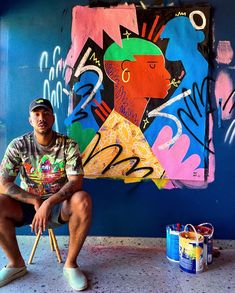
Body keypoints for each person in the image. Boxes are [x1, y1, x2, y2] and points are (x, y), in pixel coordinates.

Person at [0, 98, 92, 291]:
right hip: (28, 205)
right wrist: (35, 200)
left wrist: (48, 203)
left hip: (60, 205)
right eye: (37, 114)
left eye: (46, 113)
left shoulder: (68, 145)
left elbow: (76, 181)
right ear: (30, 120)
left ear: (53, 117)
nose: (41, 118)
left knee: (83, 200)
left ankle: (70, 265)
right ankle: (16, 264)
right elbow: (3, 183)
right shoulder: (19, 145)